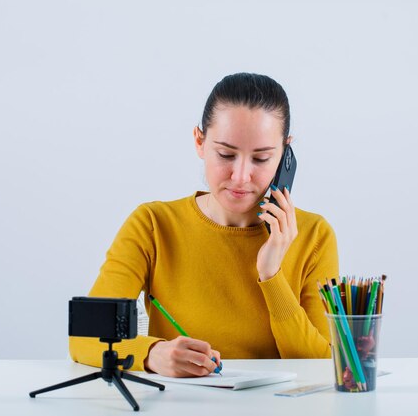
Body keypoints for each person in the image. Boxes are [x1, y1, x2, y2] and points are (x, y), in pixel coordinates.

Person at [70, 73, 338, 377]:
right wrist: (151, 354)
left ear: (286, 155)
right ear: (200, 141)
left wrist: (272, 275)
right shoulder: (153, 225)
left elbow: (321, 365)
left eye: (261, 159)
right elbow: (85, 338)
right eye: (225, 154)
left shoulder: (315, 235)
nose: (240, 176)